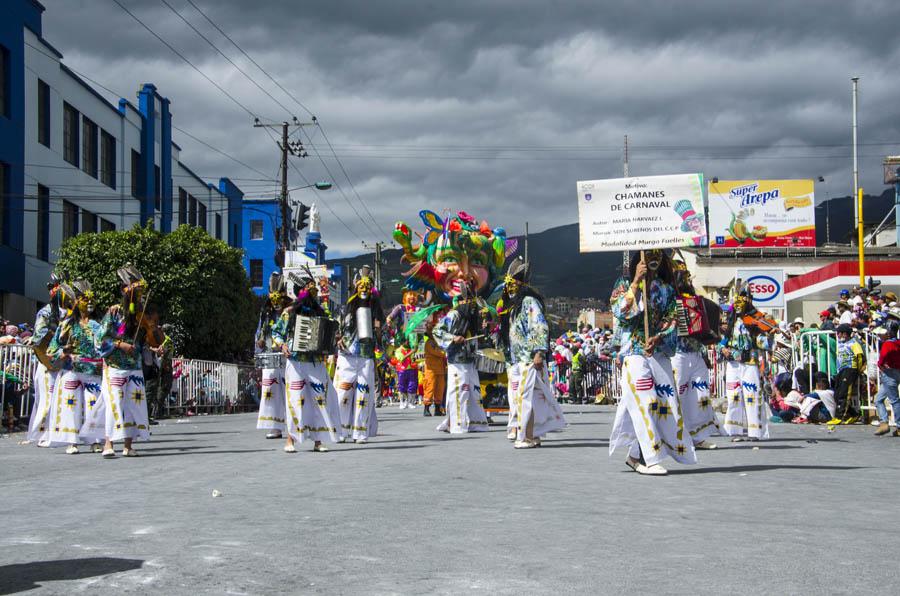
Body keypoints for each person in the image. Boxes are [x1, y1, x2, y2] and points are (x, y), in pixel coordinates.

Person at [608, 250, 697, 475]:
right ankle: (651, 458)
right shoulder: (624, 282)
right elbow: (620, 311)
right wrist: (636, 281)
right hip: (634, 352)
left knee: (665, 402)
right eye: (649, 255)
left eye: (658, 255)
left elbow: (672, 317)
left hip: (657, 350)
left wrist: (659, 336)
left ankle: (635, 455)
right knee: (645, 400)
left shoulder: (666, 288)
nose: (654, 260)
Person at [272, 269, 343, 452]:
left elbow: (331, 333)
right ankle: (291, 439)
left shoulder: (320, 312)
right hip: (295, 361)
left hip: (315, 362)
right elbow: (276, 333)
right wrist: (282, 345)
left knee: (319, 399)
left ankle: (318, 440)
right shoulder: (289, 312)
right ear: (300, 292)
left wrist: (333, 340)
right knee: (295, 399)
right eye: (308, 290)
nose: (312, 294)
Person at [498, 258, 565, 448]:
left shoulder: (529, 302)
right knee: (527, 399)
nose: (510, 288)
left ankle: (525, 436)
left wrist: (539, 353)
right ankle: (532, 435)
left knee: (526, 399)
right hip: (518, 360)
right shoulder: (515, 306)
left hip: (529, 358)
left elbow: (540, 326)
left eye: (513, 284)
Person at [96, 265, 150, 458]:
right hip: (116, 366)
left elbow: (144, 339)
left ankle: (128, 445)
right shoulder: (114, 312)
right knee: (115, 403)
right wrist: (120, 344)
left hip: (134, 366)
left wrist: (150, 346)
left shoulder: (141, 314)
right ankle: (108, 443)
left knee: (133, 405)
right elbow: (100, 338)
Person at [47, 280, 104, 454]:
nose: (89, 303)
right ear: (77, 302)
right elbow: (51, 350)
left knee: (92, 404)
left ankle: (94, 440)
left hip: (92, 372)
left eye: (91, 300)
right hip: (71, 371)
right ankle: (72, 440)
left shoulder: (97, 326)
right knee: (71, 405)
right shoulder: (66, 326)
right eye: (86, 300)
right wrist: (64, 352)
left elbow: (106, 347)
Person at [670, 260, 720, 449]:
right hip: (677, 353)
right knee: (679, 395)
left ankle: (697, 436)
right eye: (683, 276)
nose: (686, 280)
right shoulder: (670, 298)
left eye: (687, 276)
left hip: (696, 353)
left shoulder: (695, 300)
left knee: (700, 394)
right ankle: (675, 435)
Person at [334, 267, 385, 443]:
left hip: (366, 357)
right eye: (361, 286)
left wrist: (378, 331)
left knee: (364, 395)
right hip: (347, 356)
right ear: (356, 288)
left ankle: (360, 432)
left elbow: (382, 339)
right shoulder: (346, 309)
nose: (364, 289)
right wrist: (337, 339)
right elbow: (337, 331)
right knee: (343, 394)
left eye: (367, 287)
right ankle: (341, 431)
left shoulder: (377, 311)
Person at [720, 285, 771, 441]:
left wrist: (768, 335)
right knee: (733, 396)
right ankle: (733, 431)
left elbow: (762, 342)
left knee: (752, 395)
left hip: (749, 362)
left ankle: (754, 432)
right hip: (732, 363)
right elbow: (723, 341)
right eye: (736, 305)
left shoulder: (754, 321)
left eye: (741, 305)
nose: (738, 308)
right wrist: (722, 348)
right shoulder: (731, 323)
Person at [26, 273, 66, 446]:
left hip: (66, 362)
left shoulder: (71, 312)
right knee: (48, 400)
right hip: (48, 362)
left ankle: (62, 432)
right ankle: (44, 434)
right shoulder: (45, 312)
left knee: (63, 399)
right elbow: (39, 338)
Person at [256, 273, 290, 439]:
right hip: (270, 355)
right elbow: (260, 332)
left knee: (289, 389)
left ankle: (292, 424)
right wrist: (259, 341)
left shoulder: (292, 309)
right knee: (270, 389)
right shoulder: (266, 311)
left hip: (288, 355)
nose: (276, 304)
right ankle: (274, 426)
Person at [832, 323, 865, 423]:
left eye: (839, 333)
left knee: (844, 394)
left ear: (845, 334)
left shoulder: (854, 343)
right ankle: (854, 414)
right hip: (841, 371)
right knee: (837, 394)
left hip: (850, 369)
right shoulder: (841, 344)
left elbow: (860, 357)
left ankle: (840, 416)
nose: (837, 335)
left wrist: (858, 370)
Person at [873, 323, 900, 436]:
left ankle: (899, 426)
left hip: (889, 373)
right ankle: (884, 423)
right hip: (897, 372)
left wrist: (880, 365)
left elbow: (882, 357)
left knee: (894, 400)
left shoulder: (887, 344)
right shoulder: (898, 342)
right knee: (878, 399)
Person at [392, 340, 418, 410]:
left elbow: (414, 359)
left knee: (411, 386)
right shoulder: (398, 350)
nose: (407, 342)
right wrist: (412, 352)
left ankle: (409, 402)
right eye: (406, 341)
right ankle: (401, 402)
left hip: (411, 369)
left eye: (408, 341)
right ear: (402, 342)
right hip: (402, 370)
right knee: (402, 386)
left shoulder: (411, 349)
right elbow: (401, 359)